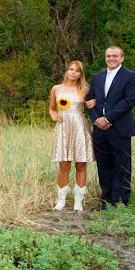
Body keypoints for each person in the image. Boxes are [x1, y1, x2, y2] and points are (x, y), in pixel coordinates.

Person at [86, 46, 135, 208]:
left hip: (120, 128)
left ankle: (120, 201)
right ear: (105, 58)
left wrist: (108, 118)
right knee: (104, 164)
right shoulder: (97, 77)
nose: (111, 58)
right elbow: (90, 100)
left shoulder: (131, 76)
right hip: (99, 129)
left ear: (122, 58)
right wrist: (97, 119)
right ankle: (106, 200)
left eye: (115, 56)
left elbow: (129, 101)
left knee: (121, 165)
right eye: (108, 56)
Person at [49, 61, 95, 211]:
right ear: (67, 71)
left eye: (77, 71)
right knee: (64, 164)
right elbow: (52, 109)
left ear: (81, 74)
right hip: (63, 128)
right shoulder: (56, 88)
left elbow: (94, 106)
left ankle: (78, 202)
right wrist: (54, 116)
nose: (73, 72)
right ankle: (61, 200)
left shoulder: (85, 89)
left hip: (79, 127)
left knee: (81, 164)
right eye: (71, 69)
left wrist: (94, 102)